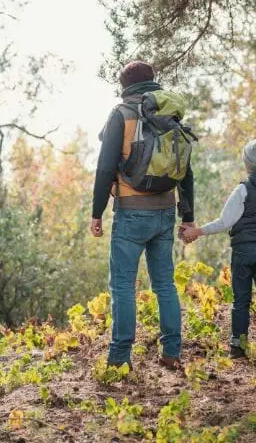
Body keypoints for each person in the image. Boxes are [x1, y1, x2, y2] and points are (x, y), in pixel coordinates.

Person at [90, 61, 195, 371]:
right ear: (152, 81)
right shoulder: (169, 113)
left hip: (131, 212)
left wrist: (97, 212)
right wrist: (187, 216)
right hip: (164, 211)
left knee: (122, 286)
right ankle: (172, 352)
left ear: (125, 86)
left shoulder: (121, 114)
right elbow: (186, 170)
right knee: (165, 284)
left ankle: (120, 358)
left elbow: (105, 167)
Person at [182, 139, 256, 362]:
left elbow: (226, 221)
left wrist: (198, 231)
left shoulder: (244, 188)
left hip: (243, 251)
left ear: (249, 164)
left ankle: (238, 348)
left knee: (241, 299)